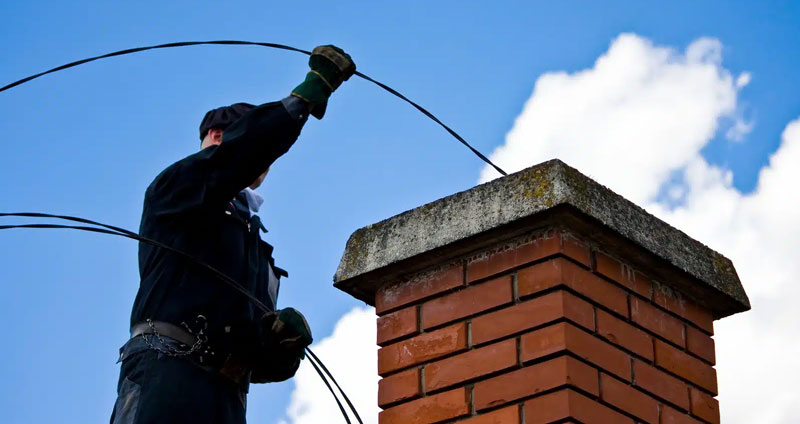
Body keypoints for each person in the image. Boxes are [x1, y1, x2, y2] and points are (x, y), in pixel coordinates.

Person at [109, 45, 356, 424]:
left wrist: (283, 346)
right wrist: (304, 98)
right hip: (166, 378)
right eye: (250, 144)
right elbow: (234, 160)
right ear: (216, 137)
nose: (265, 162)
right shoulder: (177, 189)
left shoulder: (256, 250)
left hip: (225, 401)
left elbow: (260, 362)